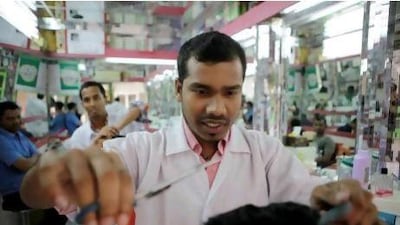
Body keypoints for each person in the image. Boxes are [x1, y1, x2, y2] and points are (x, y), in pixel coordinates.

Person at [21, 31, 364, 225]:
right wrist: (54, 172)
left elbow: (310, 198)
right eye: (201, 91)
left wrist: (339, 198)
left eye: (230, 92)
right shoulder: (140, 152)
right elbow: (44, 194)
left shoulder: (266, 153)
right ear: (178, 89)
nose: (217, 108)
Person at [0, 101, 67, 224]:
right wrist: (34, 159)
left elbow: (38, 156)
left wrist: (33, 159)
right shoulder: (2, 140)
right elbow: (24, 165)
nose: (16, 121)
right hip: (15, 194)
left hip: (33, 186)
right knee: (60, 205)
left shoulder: (19, 135)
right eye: (10, 118)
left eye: (18, 117)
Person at [64, 81, 142, 149]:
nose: (92, 104)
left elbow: (137, 111)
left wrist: (116, 128)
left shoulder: (119, 117)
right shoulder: (79, 136)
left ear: (105, 99)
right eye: (87, 100)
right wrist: (98, 139)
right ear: (82, 104)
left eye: (96, 98)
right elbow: (80, 163)